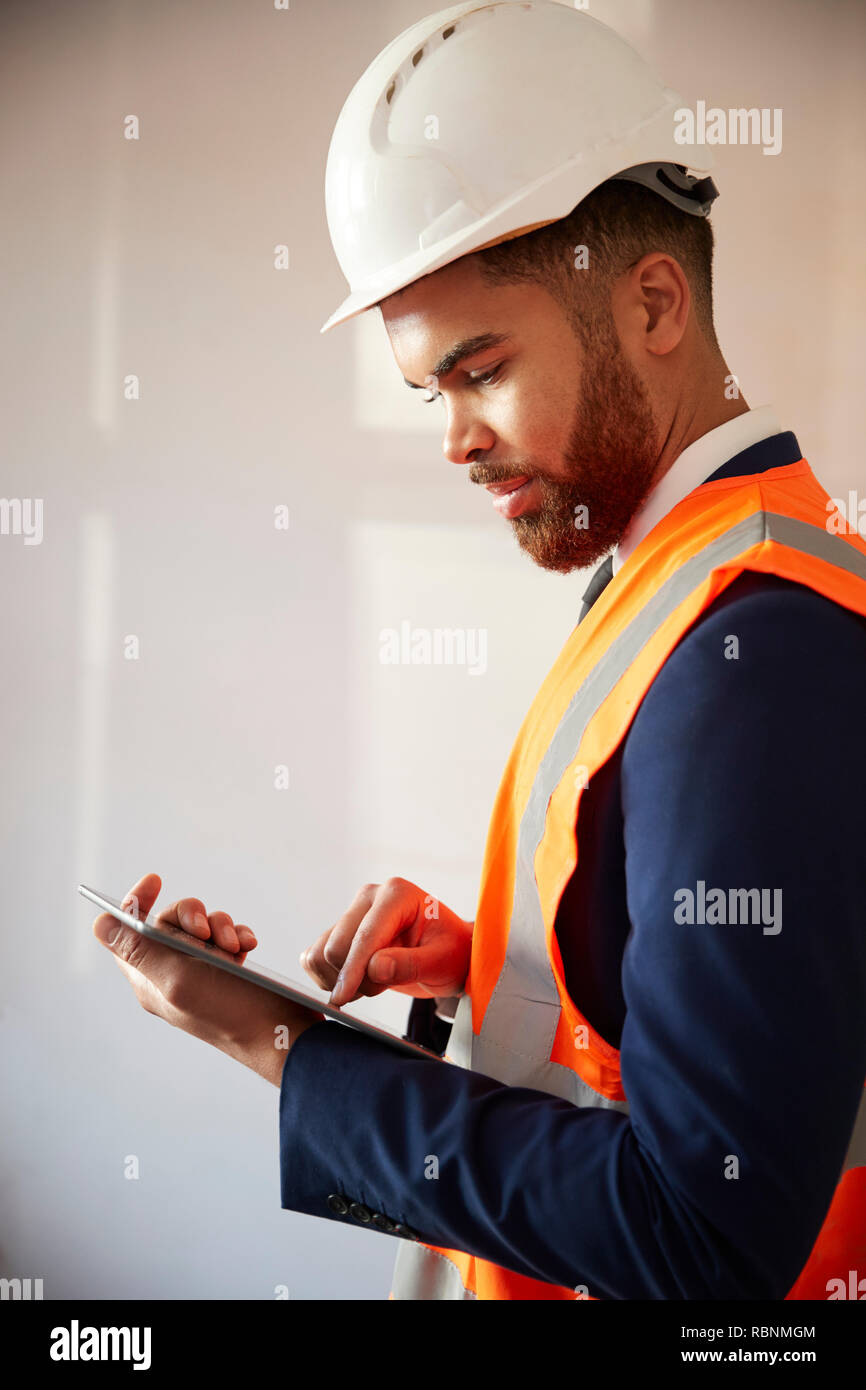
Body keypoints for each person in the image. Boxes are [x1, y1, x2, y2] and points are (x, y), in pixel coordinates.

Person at [92, 1, 866, 1299]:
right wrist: (493, 968)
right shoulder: (683, 576)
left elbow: (704, 1236)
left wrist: (285, 1048)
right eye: (428, 393)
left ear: (653, 304)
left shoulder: (753, 648)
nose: (451, 440)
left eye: (480, 368)